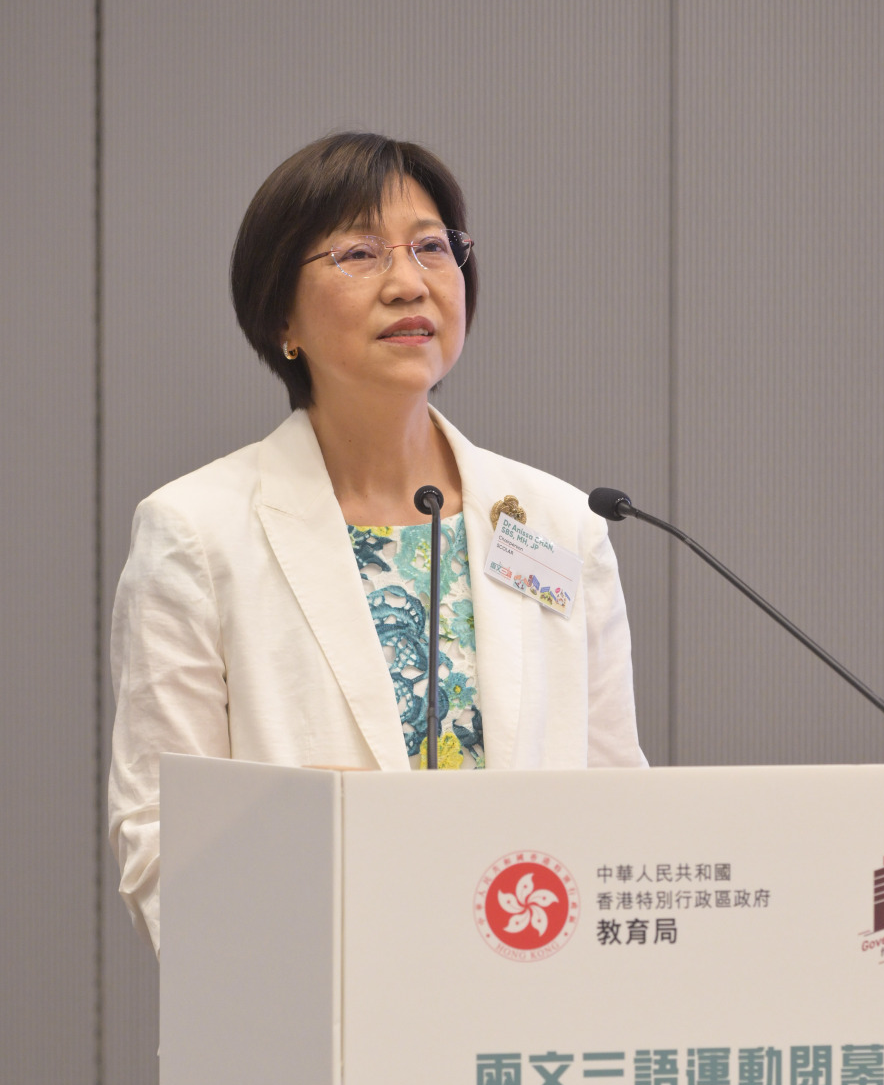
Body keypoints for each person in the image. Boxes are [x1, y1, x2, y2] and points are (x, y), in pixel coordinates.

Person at [109, 133, 645, 956]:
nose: (408, 282)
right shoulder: (198, 532)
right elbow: (158, 837)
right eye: (359, 253)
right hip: (317, 996)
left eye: (432, 247)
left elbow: (619, 803)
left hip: (537, 993)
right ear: (282, 317)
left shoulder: (556, 522)